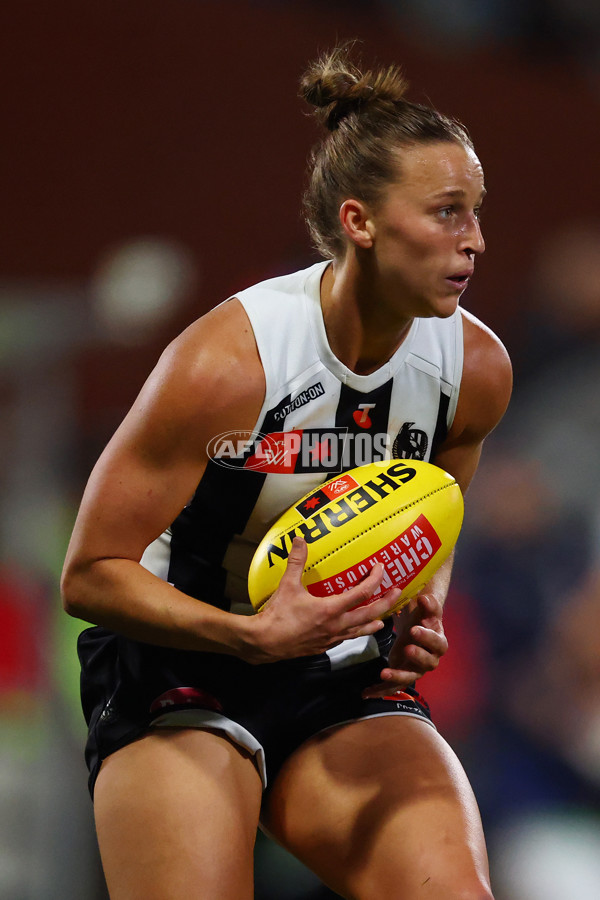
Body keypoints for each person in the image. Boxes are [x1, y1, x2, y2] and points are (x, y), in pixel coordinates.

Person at [61, 44, 512, 900]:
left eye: (477, 212)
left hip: (335, 669)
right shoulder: (229, 365)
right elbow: (88, 575)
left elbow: (436, 504)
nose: (476, 241)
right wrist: (250, 636)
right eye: (449, 212)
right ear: (361, 222)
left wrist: (425, 597)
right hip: (179, 665)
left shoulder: (476, 370)